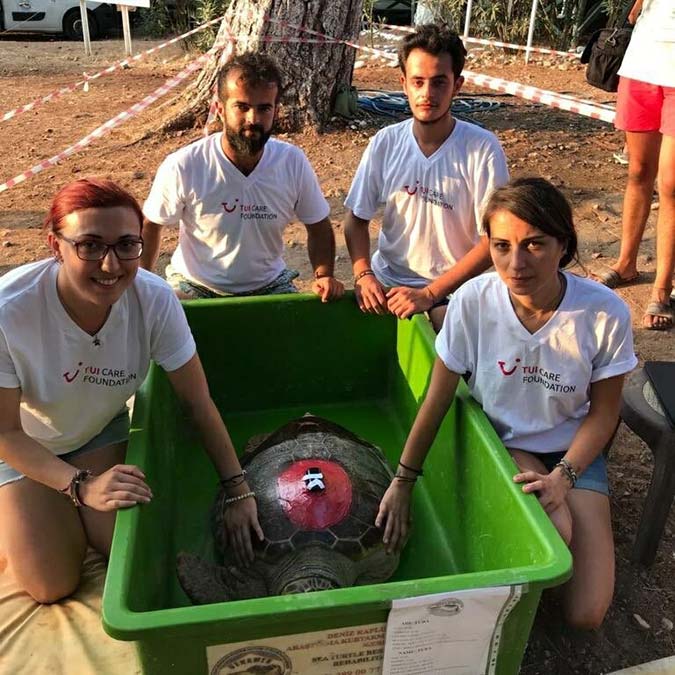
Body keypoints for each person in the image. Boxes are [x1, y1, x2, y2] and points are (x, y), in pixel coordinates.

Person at [376, 178, 637, 629]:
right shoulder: (472, 301)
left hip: (574, 451)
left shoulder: (604, 312)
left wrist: (565, 476)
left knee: (586, 615)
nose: (516, 264)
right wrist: (403, 481)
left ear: (563, 245)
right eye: (502, 246)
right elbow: (436, 400)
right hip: (506, 442)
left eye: (534, 244)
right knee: (556, 531)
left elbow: (604, 413)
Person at [0, 178, 262, 605]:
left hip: (98, 431)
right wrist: (81, 487)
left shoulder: (154, 299)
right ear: (55, 245)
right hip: (27, 444)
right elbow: (6, 432)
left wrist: (238, 489)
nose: (110, 265)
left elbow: (197, 402)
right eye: (89, 246)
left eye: (126, 245)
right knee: (52, 584)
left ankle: (61, 511)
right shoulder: (10, 312)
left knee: (141, 553)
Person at [344, 24, 509, 332]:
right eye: (418, 82)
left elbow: (494, 240)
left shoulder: (482, 148)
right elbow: (356, 219)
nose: (427, 94)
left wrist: (431, 294)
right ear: (403, 83)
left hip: (453, 293)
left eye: (439, 82)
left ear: (457, 85)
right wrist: (363, 274)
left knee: (444, 342)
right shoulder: (385, 142)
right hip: (388, 288)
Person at [141, 52, 344, 303]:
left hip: (269, 285)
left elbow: (318, 225)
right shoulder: (184, 165)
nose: (253, 119)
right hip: (195, 284)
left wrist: (324, 275)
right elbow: (151, 225)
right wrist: (140, 285)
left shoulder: (292, 162)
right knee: (171, 315)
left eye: (264, 108)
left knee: (296, 324)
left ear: (276, 111)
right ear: (220, 109)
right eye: (242, 107)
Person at [594, 0, 674, 330]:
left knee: (671, 184)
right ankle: (626, 263)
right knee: (638, 171)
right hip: (642, 64)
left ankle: (662, 287)